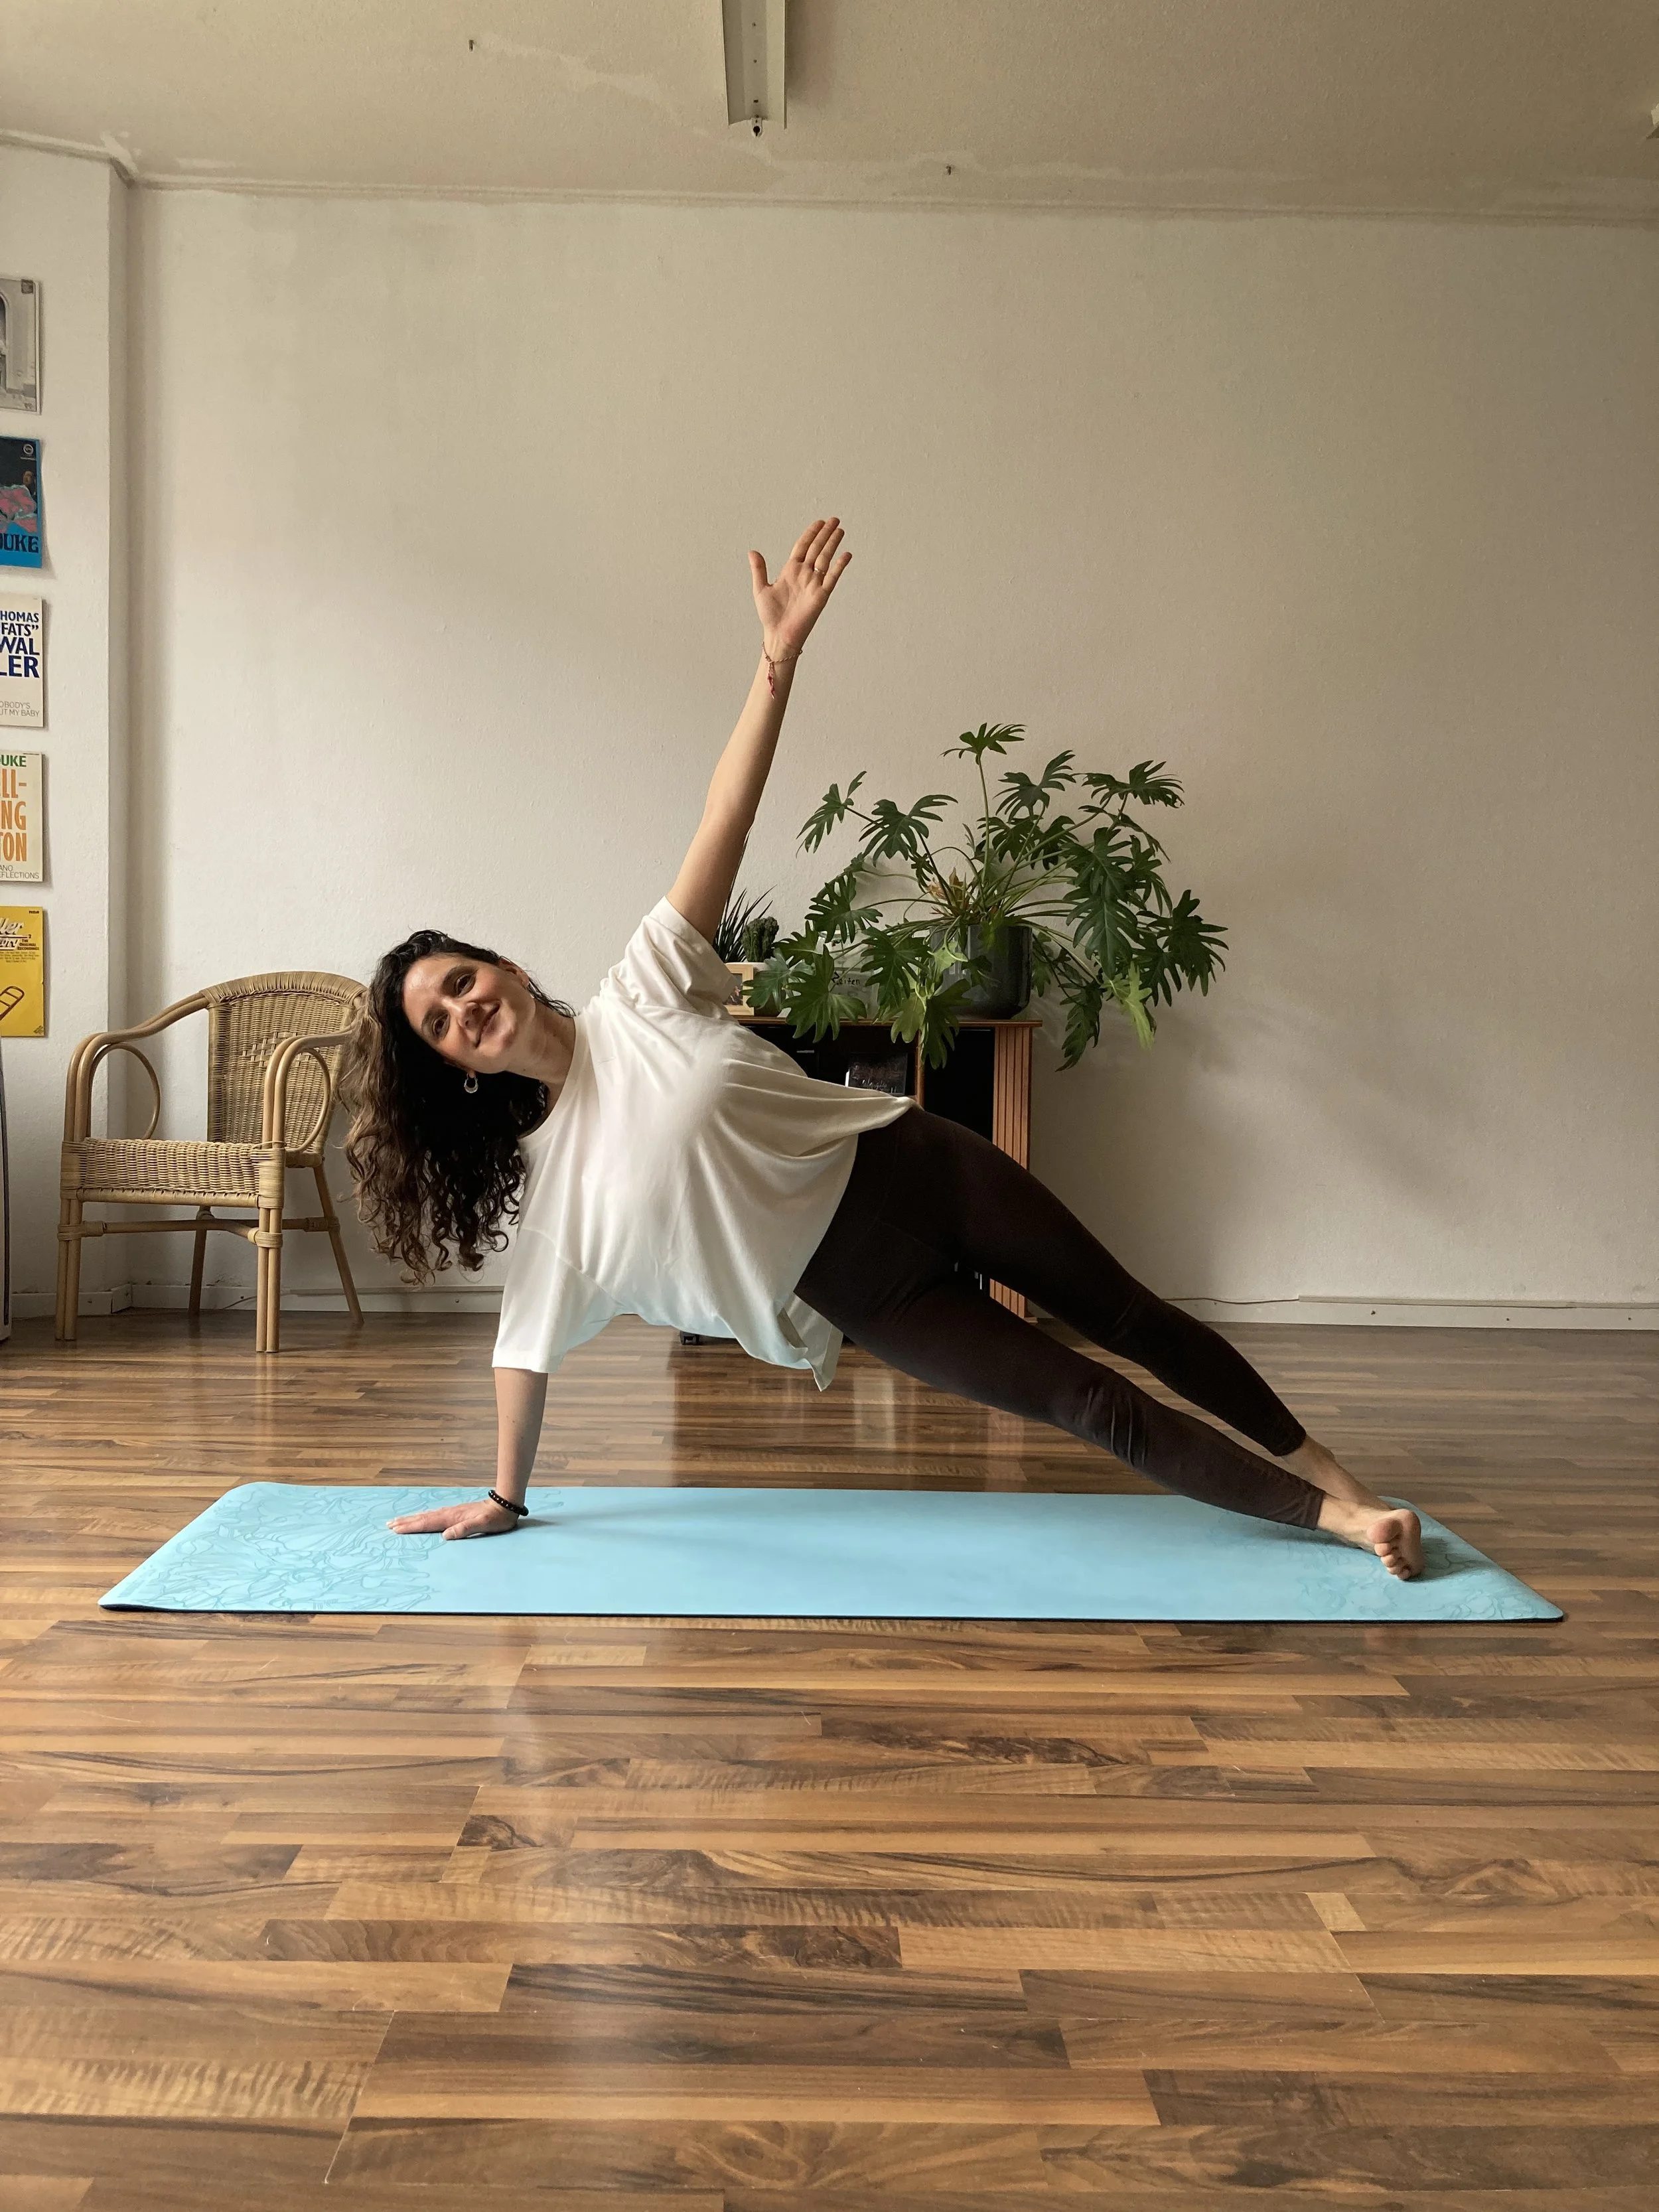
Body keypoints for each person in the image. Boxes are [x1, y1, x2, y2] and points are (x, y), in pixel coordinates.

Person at [343, 518, 1422, 1580]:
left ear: (509, 972)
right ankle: (1331, 1520)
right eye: (439, 1027)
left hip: (918, 1165)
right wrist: (503, 1497)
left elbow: (729, 811)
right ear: (461, 1070)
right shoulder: (556, 1192)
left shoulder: (647, 987)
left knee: (1131, 1316)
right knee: (1088, 1401)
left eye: (461, 984)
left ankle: (1343, 1478)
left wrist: (778, 658)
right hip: (872, 1296)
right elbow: (519, 1354)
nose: (462, 1012)